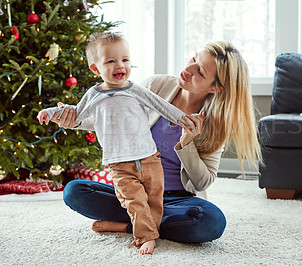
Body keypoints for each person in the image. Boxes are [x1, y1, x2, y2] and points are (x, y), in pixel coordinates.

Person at [53, 40, 262, 245]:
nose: (188, 69)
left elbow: (203, 182)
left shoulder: (215, 123)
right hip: (136, 191)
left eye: (200, 72)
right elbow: (115, 119)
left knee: (211, 222)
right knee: (74, 191)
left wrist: (187, 143)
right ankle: (146, 219)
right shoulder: (157, 85)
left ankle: (131, 225)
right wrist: (74, 121)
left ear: (217, 88)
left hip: (177, 200)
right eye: (194, 58)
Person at [37, 32, 196, 255]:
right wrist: (52, 112)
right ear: (95, 69)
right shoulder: (94, 94)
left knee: (154, 201)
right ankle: (147, 237)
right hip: (120, 164)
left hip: (150, 158)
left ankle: (135, 227)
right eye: (110, 61)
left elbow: (161, 105)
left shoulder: (136, 90)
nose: (119, 65)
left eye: (125, 59)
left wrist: (184, 119)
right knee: (135, 202)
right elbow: (76, 114)